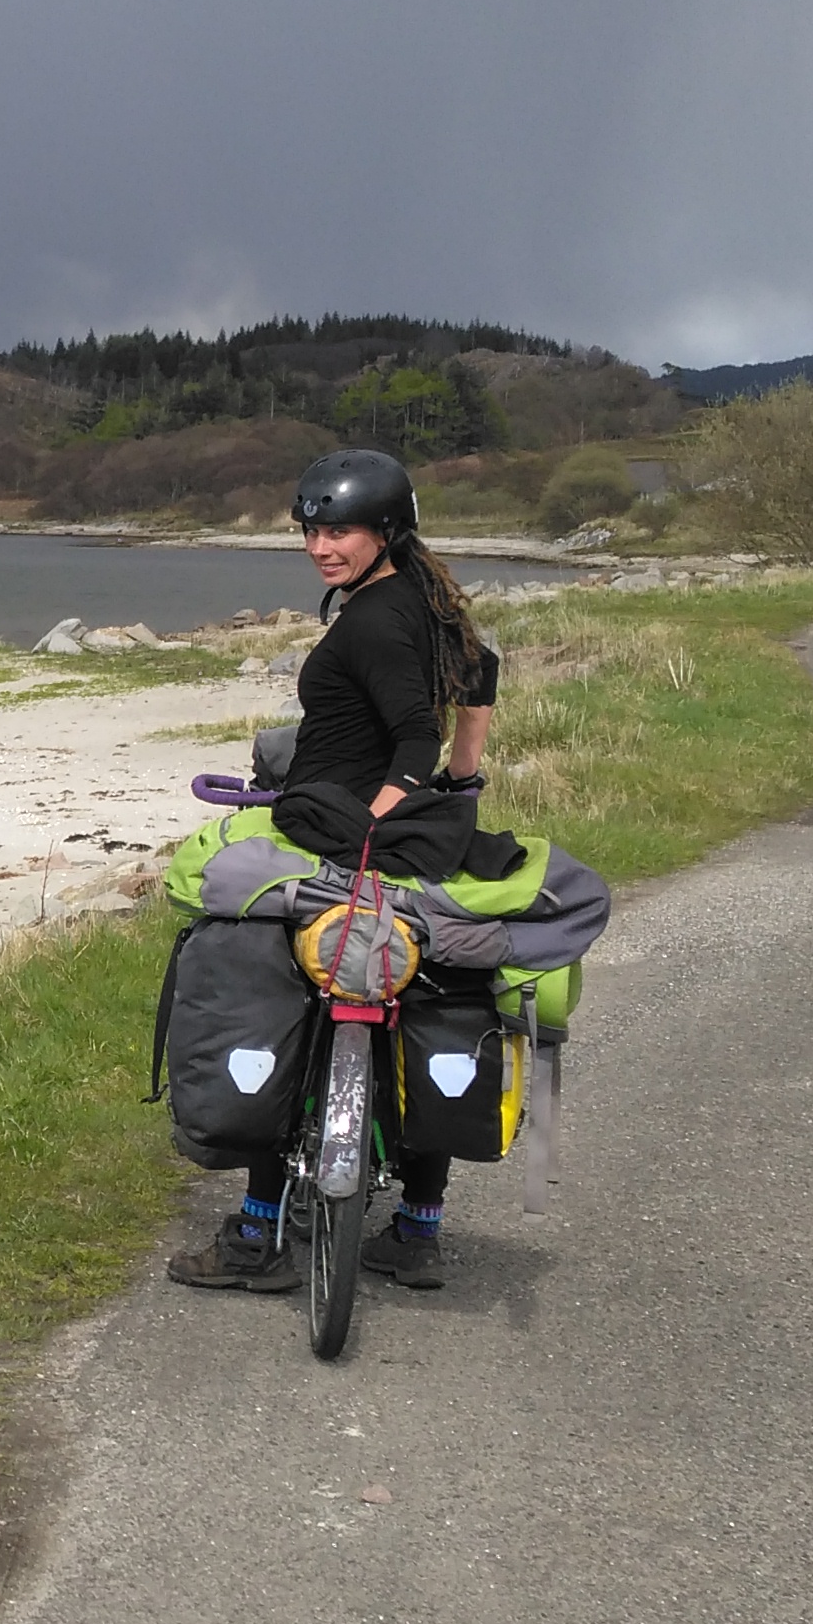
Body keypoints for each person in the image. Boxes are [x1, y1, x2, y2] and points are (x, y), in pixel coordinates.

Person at [167, 447, 503, 1296]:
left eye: (340, 531)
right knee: (424, 997)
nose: (321, 546)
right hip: (407, 833)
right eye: (311, 531)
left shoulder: (376, 619)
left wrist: (370, 831)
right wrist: (466, 782)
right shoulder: (419, 595)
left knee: (274, 991)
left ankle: (257, 1234)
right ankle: (418, 1230)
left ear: (386, 531)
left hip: (345, 832)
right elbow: (481, 671)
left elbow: (412, 742)